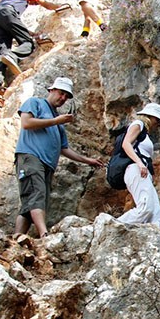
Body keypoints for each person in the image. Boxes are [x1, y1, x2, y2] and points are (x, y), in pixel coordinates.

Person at [14, 77, 104, 237]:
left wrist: (87, 160)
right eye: (61, 93)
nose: (63, 98)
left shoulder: (58, 122)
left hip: (48, 164)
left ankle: (17, 238)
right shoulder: (35, 103)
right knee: (37, 195)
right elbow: (26, 123)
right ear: (52, 90)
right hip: (30, 157)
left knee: (31, 202)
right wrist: (56, 120)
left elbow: (64, 149)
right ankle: (44, 235)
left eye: (66, 97)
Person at [0, 0, 65, 92]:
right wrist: (61, 6)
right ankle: (12, 56)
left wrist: (31, 34)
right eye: (35, 3)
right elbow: (46, 4)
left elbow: (13, 24)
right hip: (7, 12)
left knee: (2, 50)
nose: (35, 4)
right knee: (28, 43)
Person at [116, 103, 160, 230]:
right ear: (150, 116)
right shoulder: (138, 124)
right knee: (146, 208)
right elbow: (126, 143)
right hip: (135, 168)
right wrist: (139, 163)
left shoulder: (145, 132)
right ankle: (113, 225)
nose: (158, 124)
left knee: (156, 213)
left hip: (142, 171)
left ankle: (157, 237)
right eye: (158, 120)